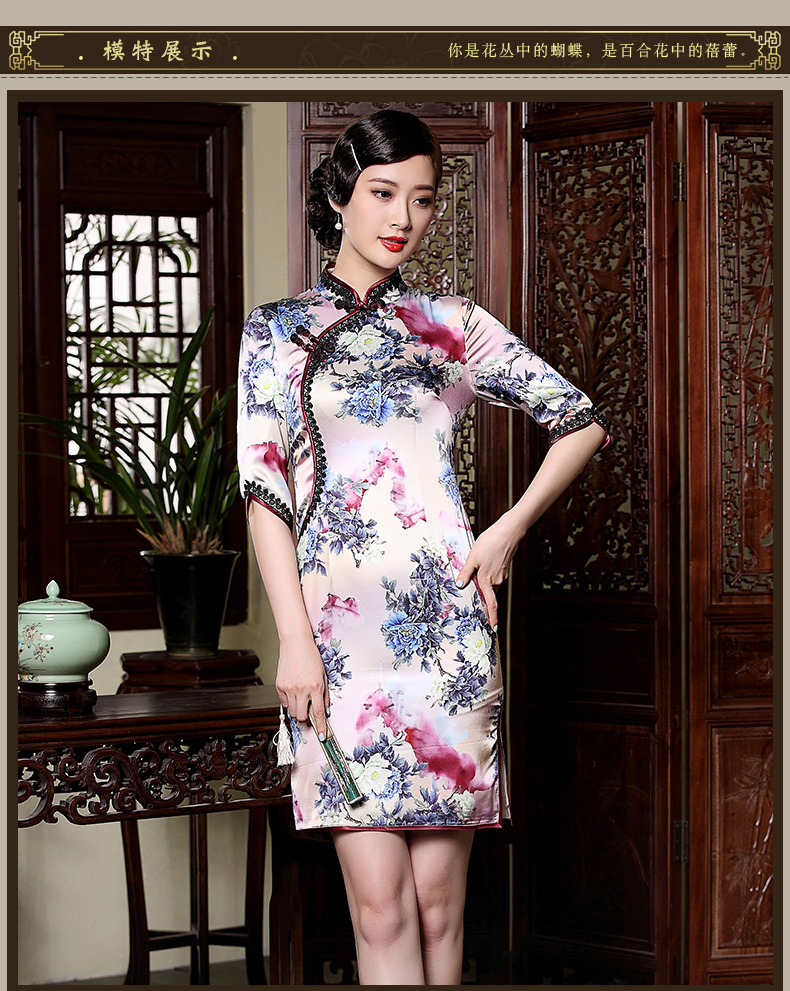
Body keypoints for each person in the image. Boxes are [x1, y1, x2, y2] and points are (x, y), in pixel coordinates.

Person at [237, 109, 609, 985]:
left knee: (441, 907)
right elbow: (264, 492)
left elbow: (581, 421)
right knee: (380, 905)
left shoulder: (451, 324)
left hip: (444, 640)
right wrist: (293, 640)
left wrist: (504, 530)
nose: (402, 216)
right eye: (382, 193)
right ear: (340, 197)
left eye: (422, 198)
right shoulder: (276, 330)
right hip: (335, 648)